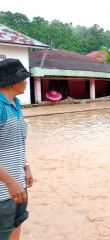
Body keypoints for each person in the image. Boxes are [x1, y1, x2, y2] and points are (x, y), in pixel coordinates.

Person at [0, 59, 33, 240]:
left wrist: (25, 166)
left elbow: (16, 141)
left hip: (18, 185)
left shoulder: (16, 105)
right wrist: (9, 182)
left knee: (17, 224)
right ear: (12, 82)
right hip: (3, 191)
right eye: (23, 79)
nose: (26, 83)